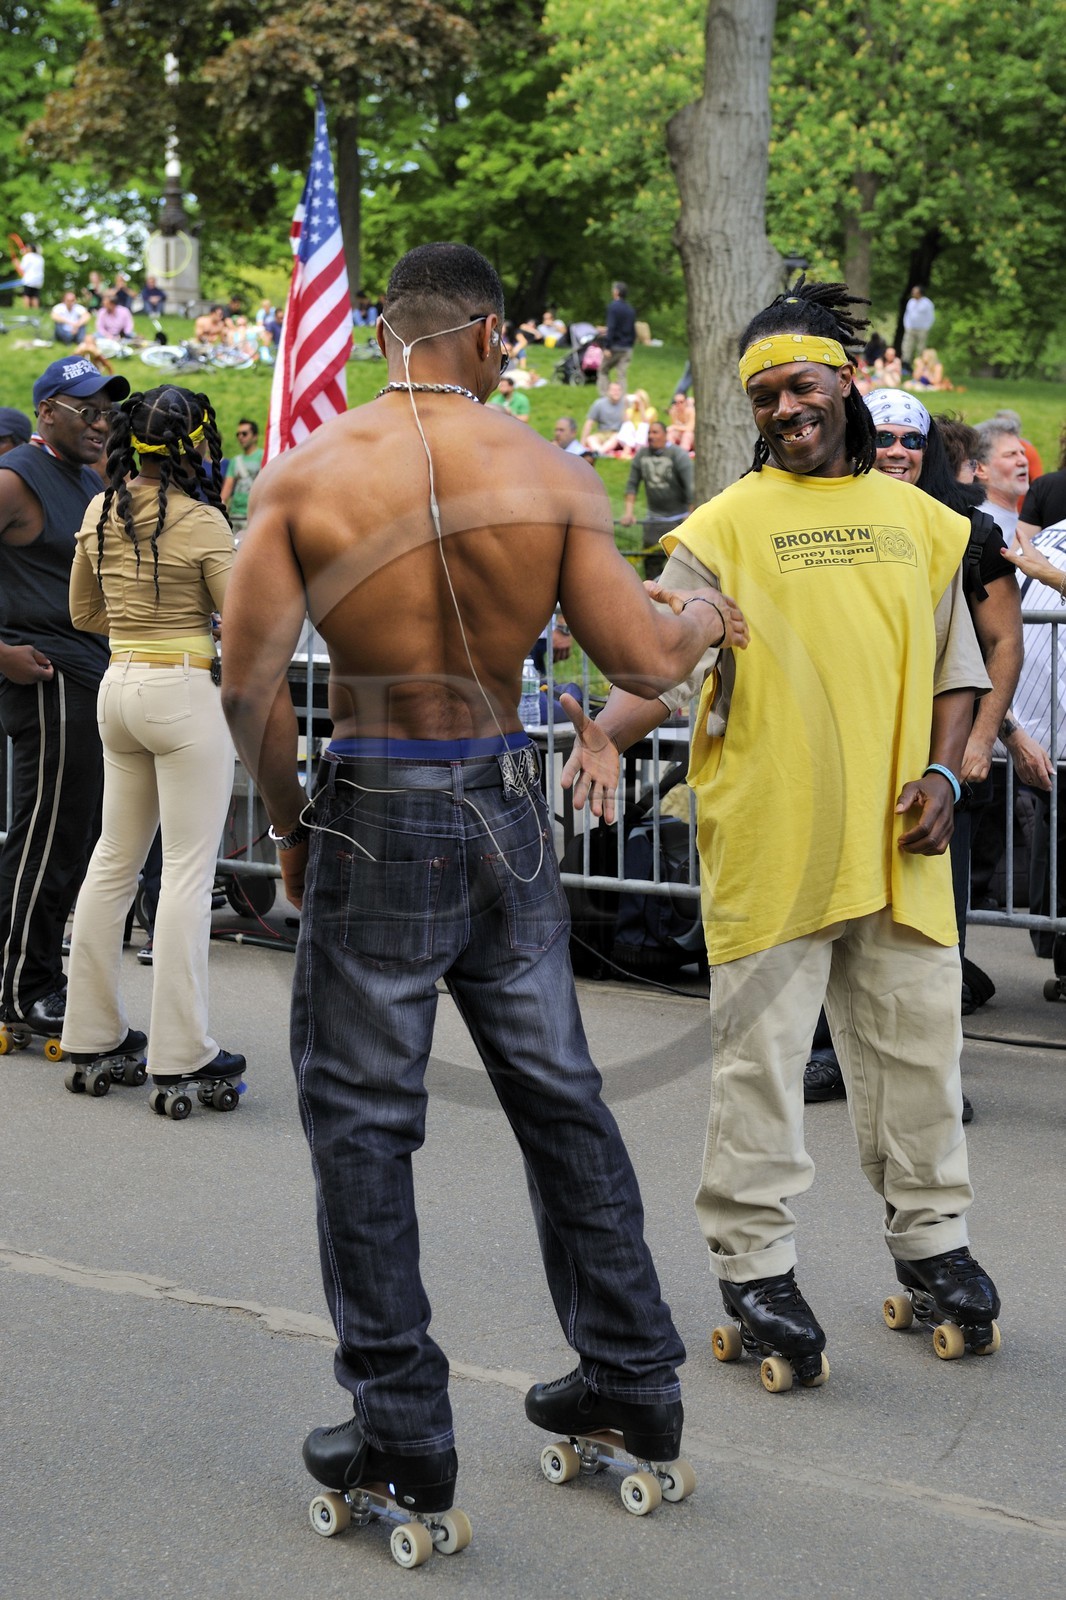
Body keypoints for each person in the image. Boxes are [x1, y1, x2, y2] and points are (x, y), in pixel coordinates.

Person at [220, 241, 746, 1522]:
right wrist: (702, 617)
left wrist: (288, 821)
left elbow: (246, 687)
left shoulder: (305, 472)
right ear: (489, 335)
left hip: (377, 798)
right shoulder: (552, 472)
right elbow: (639, 652)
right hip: (502, 791)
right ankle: (631, 1378)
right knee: (563, 1097)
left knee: (363, 1124)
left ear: (388, 334)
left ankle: (400, 1429)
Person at [564, 278, 1001, 1382]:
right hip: (769, 836)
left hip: (901, 841)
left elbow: (962, 669)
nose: (781, 409)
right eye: (761, 396)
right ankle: (754, 1262)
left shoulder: (930, 526)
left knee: (918, 1056)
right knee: (757, 1065)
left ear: (846, 382)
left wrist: (948, 767)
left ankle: (932, 1244)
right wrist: (606, 733)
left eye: (798, 385)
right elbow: (664, 665)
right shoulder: (718, 529)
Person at [59, 385, 243, 1093]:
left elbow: (82, 611)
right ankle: (182, 1048)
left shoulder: (98, 508)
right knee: (188, 874)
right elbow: (242, 621)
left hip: (118, 687)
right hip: (182, 692)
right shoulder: (202, 522)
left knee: (113, 860)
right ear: (193, 443)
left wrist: (140, 631)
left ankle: (91, 1032)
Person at [0, 356, 130, 1043]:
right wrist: (1, 656)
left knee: (74, 837)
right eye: (89, 410)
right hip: (46, 678)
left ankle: (35, 972)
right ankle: (23, 986)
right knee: (45, 837)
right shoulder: (14, 477)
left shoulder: (86, 478)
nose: (103, 424)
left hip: (91, 674)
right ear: (48, 408)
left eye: (109, 412)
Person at [621, 421, 693, 533]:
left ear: (665, 435)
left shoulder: (678, 455)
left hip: (679, 518)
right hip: (653, 518)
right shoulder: (642, 455)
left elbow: (691, 485)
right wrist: (628, 513)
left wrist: (691, 514)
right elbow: (632, 485)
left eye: (655, 432)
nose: (651, 436)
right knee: (650, 549)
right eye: (649, 433)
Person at [974, 421, 1029, 541]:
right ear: (980, 469)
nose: (1023, 461)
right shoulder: (980, 527)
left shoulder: (1026, 519)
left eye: (1022, 453)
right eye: (1010, 455)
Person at [220, 420, 263, 535]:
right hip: (235, 515)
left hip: (254, 515)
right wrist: (220, 508)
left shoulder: (263, 456)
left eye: (244, 433)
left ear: (255, 436)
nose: (240, 437)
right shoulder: (235, 460)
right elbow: (227, 488)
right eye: (238, 434)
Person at [596, 280, 636, 395]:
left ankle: (605, 396)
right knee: (622, 374)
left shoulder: (613, 307)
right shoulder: (630, 309)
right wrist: (630, 345)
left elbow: (612, 327)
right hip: (627, 347)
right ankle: (621, 398)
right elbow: (632, 330)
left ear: (617, 292)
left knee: (603, 370)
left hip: (615, 346)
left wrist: (607, 346)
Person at [580, 381, 626, 452]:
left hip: (617, 434)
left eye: (618, 390)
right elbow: (589, 423)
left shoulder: (626, 404)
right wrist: (582, 444)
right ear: (608, 392)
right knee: (590, 439)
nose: (616, 392)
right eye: (614, 390)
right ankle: (600, 451)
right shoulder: (599, 404)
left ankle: (599, 452)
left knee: (616, 437)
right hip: (602, 433)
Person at [901, 284, 935, 369]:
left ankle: (921, 367)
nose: (912, 293)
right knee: (907, 346)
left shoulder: (927, 303)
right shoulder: (911, 302)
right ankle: (906, 365)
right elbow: (907, 315)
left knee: (921, 348)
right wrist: (907, 325)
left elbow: (931, 316)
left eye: (915, 291)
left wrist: (927, 327)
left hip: (922, 329)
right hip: (910, 328)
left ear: (920, 293)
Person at [19, 244, 44, 310]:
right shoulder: (40, 258)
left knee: (26, 295)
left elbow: (22, 269)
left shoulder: (27, 256)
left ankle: (26, 311)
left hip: (29, 280)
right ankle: (35, 312)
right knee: (35, 296)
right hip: (38, 281)